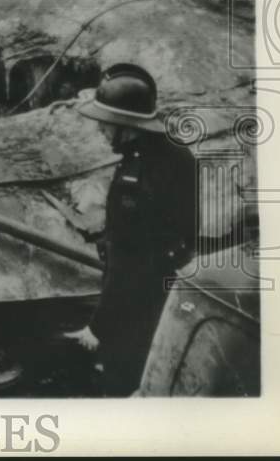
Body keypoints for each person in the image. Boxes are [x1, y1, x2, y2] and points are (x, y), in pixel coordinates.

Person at [64, 63, 198, 395]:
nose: (101, 132)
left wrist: (98, 327)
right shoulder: (177, 155)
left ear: (126, 125)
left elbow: (128, 262)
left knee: (119, 381)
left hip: (137, 304)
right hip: (170, 292)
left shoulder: (133, 180)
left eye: (105, 125)